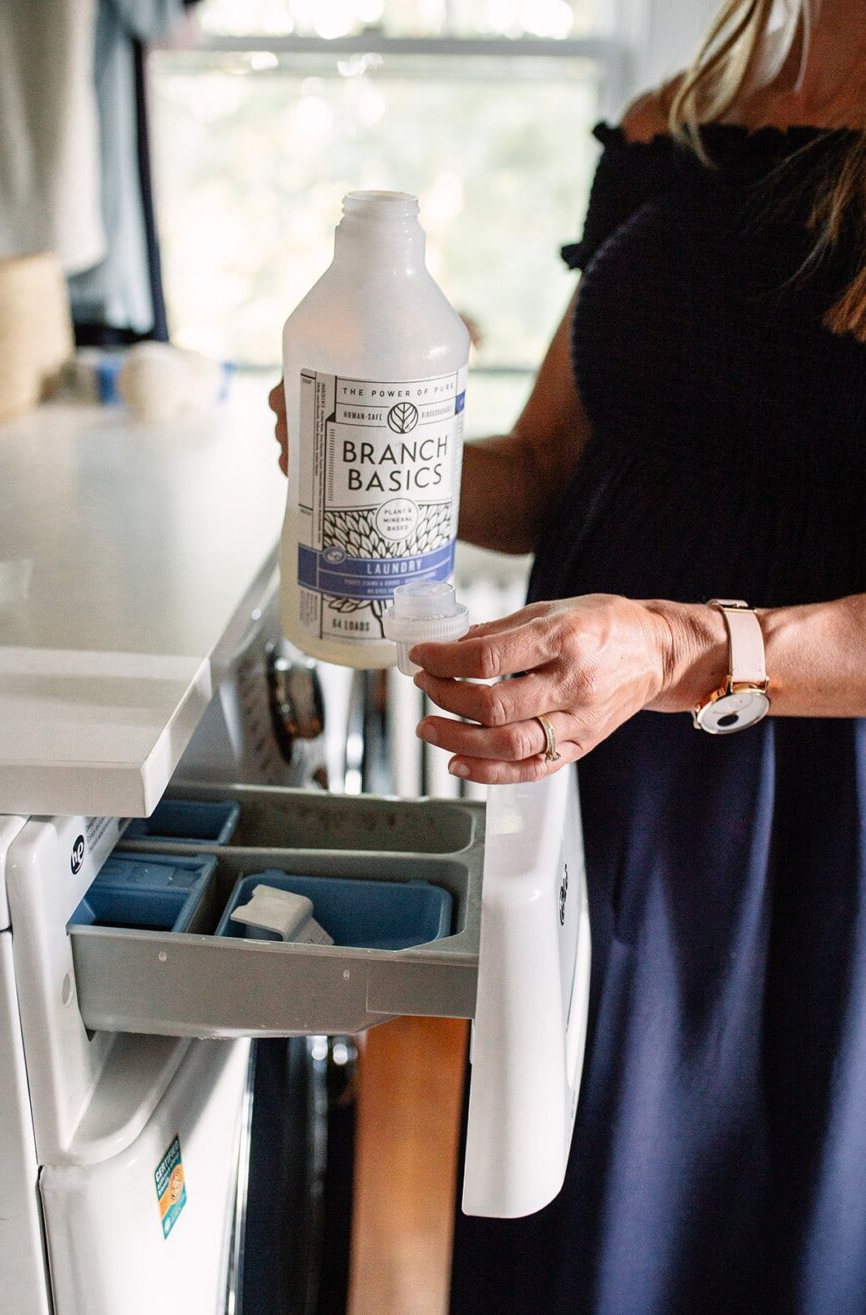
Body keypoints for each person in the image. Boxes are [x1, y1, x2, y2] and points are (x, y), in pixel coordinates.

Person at [270, 0, 865, 1308]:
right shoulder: (678, 121)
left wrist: (675, 647)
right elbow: (547, 468)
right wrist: (369, 447)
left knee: (740, 1208)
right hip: (590, 770)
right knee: (551, 1171)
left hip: (812, 814)